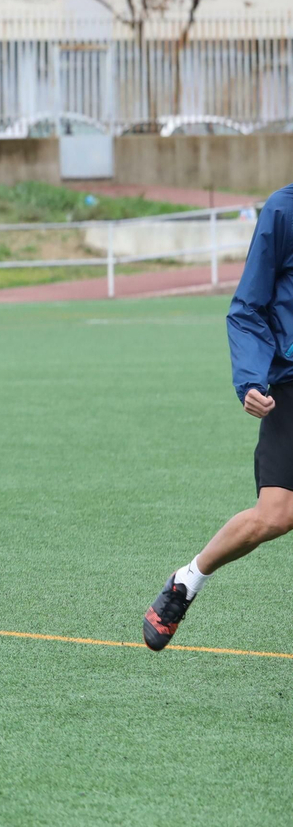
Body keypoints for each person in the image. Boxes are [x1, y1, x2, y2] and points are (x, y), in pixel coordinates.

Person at [146, 183, 293, 650]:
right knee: (273, 516)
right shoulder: (283, 210)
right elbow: (248, 305)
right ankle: (187, 580)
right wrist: (251, 379)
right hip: (291, 381)